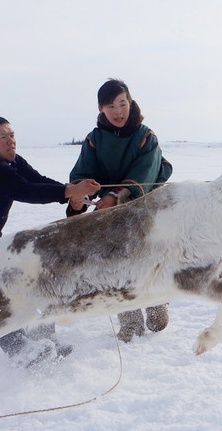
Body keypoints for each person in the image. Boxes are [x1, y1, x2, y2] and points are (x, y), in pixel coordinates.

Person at [0, 115, 101, 366]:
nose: (10, 141)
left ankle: (47, 341)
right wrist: (71, 192)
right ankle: (22, 352)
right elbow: (27, 191)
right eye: (2, 137)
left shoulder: (13, 162)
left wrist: (73, 192)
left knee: (34, 278)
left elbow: (38, 181)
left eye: (12, 135)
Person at [66, 78, 173, 342]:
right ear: (101, 108)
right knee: (115, 266)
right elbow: (82, 173)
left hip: (144, 206)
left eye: (122, 103)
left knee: (149, 259)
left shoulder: (145, 136)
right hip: (110, 213)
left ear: (130, 102)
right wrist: (81, 195)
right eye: (110, 106)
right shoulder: (94, 140)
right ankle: (130, 319)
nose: (118, 111)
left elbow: (146, 172)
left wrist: (117, 194)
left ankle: (158, 304)